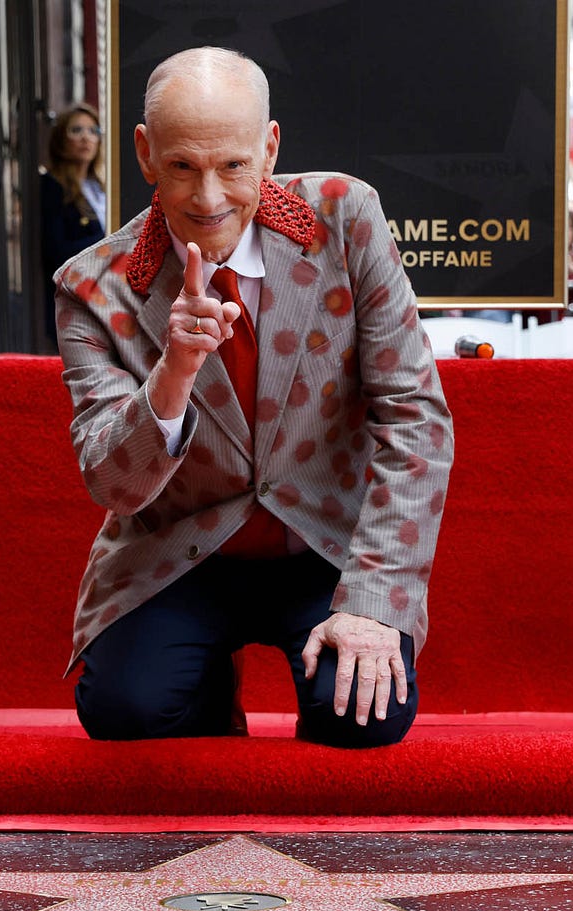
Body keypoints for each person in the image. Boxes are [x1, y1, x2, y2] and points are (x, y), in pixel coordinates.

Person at [52, 47, 454, 747]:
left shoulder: (346, 218)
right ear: (145, 155)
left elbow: (415, 417)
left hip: (324, 545)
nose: (209, 199)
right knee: (128, 714)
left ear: (269, 149)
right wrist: (172, 374)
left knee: (364, 716)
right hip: (179, 554)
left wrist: (371, 601)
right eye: (182, 167)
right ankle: (207, 682)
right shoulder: (93, 286)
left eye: (232, 166)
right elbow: (113, 485)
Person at [40, 103, 107, 341]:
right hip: (73, 296)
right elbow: (55, 250)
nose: (86, 138)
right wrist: (108, 240)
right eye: (76, 130)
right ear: (61, 139)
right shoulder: (52, 186)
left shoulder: (100, 186)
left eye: (93, 131)